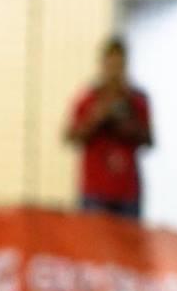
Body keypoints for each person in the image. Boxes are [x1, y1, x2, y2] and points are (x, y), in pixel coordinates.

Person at [64, 37, 152, 219]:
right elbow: (70, 136)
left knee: (127, 238)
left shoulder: (137, 100)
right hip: (95, 191)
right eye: (111, 65)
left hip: (127, 191)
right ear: (103, 65)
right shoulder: (88, 99)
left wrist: (126, 123)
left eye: (118, 66)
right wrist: (97, 118)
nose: (114, 72)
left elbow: (149, 140)